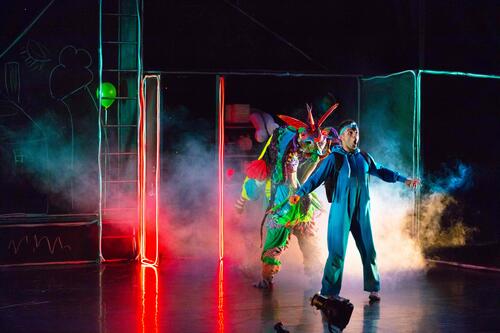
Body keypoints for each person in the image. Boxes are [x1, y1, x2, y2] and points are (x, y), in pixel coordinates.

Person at [289, 120, 420, 301]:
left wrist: (403, 179)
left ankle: (373, 287)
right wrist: (300, 192)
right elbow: (315, 178)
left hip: (362, 211)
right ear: (341, 136)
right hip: (341, 209)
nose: (355, 137)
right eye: (350, 133)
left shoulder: (364, 158)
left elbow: (381, 171)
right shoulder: (335, 158)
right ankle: (329, 292)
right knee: (336, 252)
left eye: (356, 133)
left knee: (369, 249)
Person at [236, 104, 340, 289]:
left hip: (285, 206)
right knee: (307, 242)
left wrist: (244, 198)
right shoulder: (282, 147)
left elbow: (262, 177)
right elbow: (266, 175)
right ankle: (314, 277)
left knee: (278, 243)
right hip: (297, 205)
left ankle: (269, 279)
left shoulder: (286, 147)